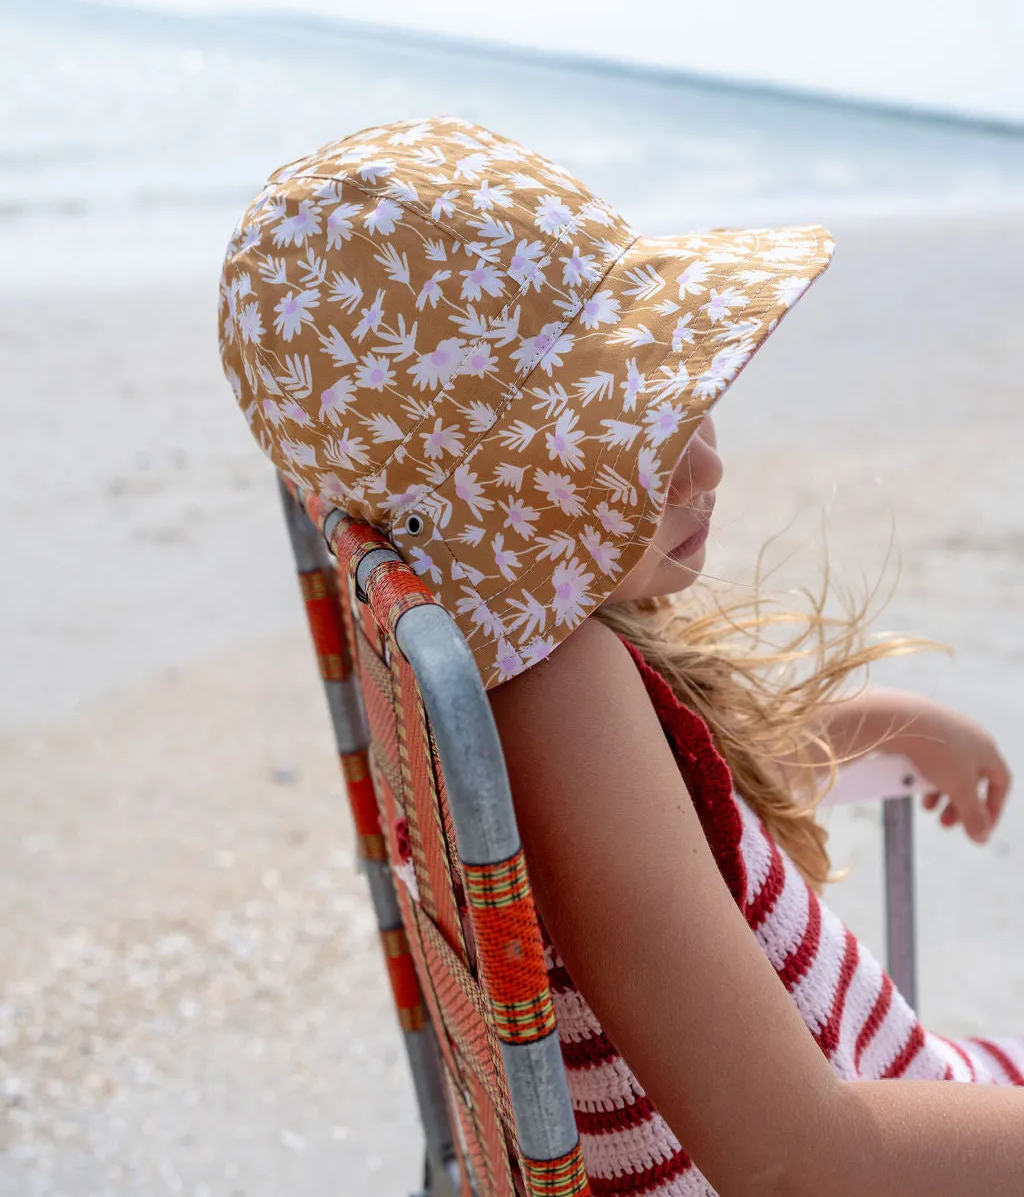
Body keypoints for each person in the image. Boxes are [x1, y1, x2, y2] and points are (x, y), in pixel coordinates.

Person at [219, 116, 1023, 1195]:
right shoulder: (562, 692)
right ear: (490, 503)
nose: (703, 465)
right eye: (621, 437)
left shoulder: (498, 668)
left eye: (676, 401)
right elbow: (802, 1165)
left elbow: (666, 840)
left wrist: (887, 723)